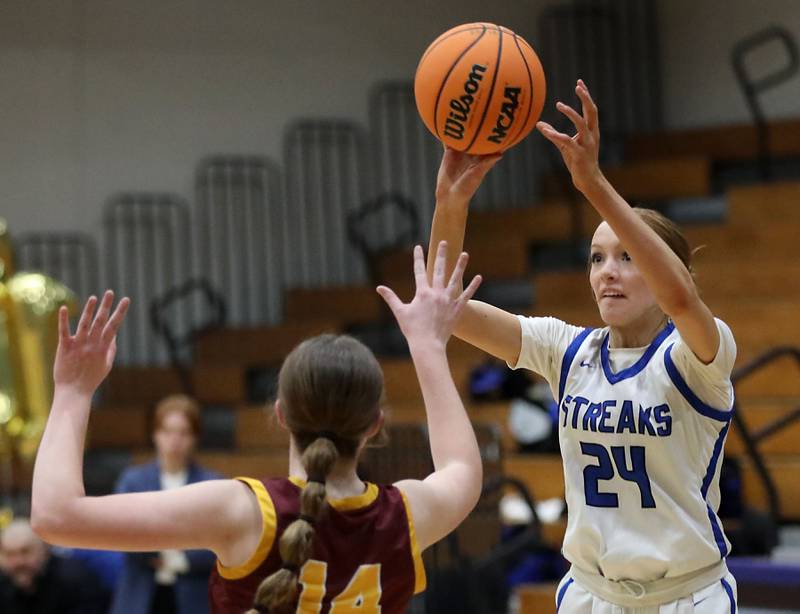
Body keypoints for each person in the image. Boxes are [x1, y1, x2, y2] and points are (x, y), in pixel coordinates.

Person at [30, 241, 484, 613]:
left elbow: (54, 516)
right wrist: (428, 346)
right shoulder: (406, 515)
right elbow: (461, 466)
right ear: (375, 425)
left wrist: (72, 391)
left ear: (281, 413)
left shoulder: (240, 512)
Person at [428, 79, 738, 612]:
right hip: (590, 596)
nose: (607, 274)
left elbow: (683, 300)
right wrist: (450, 202)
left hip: (687, 598)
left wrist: (592, 183)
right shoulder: (566, 349)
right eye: (597, 258)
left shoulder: (698, 356)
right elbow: (444, 304)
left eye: (627, 258)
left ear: (672, 273)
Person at [111, 394, 221, 614]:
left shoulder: (212, 483)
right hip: (140, 595)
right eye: (167, 431)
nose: (175, 440)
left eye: (183, 433)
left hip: (194, 597)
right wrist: (167, 549)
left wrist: (183, 559)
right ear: (155, 434)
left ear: (195, 437)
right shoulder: (133, 480)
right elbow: (118, 529)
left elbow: (221, 539)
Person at [0, 518, 109, 614]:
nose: (18, 562)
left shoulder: (75, 580)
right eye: (10, 554)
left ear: (44, 550)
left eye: (25, 552)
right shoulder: (4, 583)